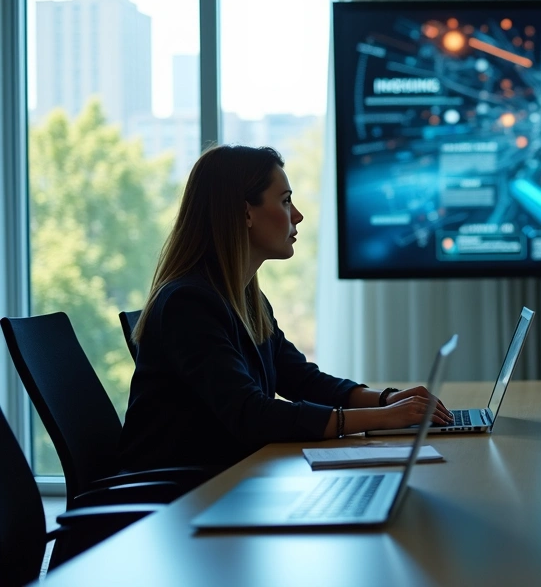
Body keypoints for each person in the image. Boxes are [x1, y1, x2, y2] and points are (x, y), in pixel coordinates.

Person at [119, 145, 453, 480]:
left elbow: (300, 379)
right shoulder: (187, 303)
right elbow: (252, 415)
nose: (298, 216)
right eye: (285, 201)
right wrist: (383, 418)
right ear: (245, 213)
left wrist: (386, 400)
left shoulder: (246, 298)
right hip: (180, 494)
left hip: (229, 479)